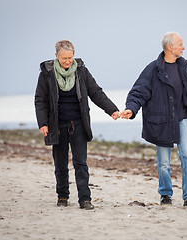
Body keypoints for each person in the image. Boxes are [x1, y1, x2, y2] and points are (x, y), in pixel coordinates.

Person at [35, 40, 120, 210]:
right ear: (56, 56)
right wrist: (43, 123)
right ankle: (62, 196)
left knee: (80, 163)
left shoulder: (81, 71)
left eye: (70, 57)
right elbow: (40, 99)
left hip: (78, 124)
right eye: (64, 58)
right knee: (60, 164)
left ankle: (85, 199)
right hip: (56, 125)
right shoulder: (47, 74)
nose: (67, 61)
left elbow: (96, 93)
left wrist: (112, 110)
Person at [121, 32, 187, 209]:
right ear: (170, 47)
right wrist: (131, 108)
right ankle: (165, 194)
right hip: (162, 122)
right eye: (180, 44)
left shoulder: (185, 67)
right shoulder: (153, 69)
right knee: (164, 162)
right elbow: (138, 92)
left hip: (184, 119)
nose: (184, 47)